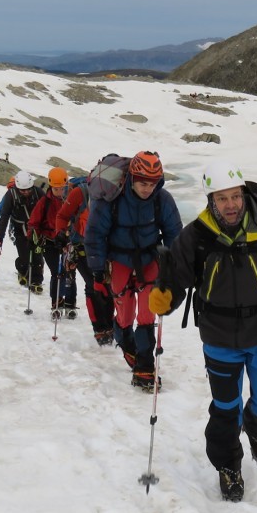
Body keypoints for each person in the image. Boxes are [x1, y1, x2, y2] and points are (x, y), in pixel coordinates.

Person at [147, 159, 257, 502]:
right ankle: (228, 465)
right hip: (218, 337)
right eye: (221, 198)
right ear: (211, 201)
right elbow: (176, 279)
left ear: (243, 195)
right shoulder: (197, 235)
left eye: (235, 197)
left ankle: (256, 424)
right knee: (225, 411)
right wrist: (164, 298)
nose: (230, 205)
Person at [85, 151, 182, 387]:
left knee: (148, 312)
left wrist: (171, 267)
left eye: (153, 183)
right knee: (125, 312)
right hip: (118, 260)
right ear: (131, 178)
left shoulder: (163, 200)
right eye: (142, 183)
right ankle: (128, 346)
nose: (147, 188)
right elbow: (95, 234)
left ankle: (145, 365)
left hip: (149, 259)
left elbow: (174, 233)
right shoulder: (112, 198)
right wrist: (98, 272)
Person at [56, 175, 115, 344]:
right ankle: (100, 328)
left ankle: (107, 327)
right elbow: (63, 216)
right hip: (81, 247)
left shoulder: (117, 193)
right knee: (94, 285)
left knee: (108, 287)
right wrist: (61, 233)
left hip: (106, 248)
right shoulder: (79, 193)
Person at [28, 167, 78, 317]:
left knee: (70, 272)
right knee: (57, 273)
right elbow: (33, 221)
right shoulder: (44, 202)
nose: (59, 192)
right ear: (50, 186)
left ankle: (70, 303)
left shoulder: (71, 200)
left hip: (68, 242)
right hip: (49, 242)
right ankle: (56, 303)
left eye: (61, 188)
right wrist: (32, 237)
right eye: (56, 189)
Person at [0, 171, 44, 291]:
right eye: (23, 190)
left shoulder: (38, 193)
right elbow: (5, 216)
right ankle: (22, 271)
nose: (26, 192)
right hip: (19, 229)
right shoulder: (11, 195)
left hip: (37, 229)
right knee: (24, 256)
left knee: (37, 256)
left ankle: (36, 282)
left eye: (28, 189)